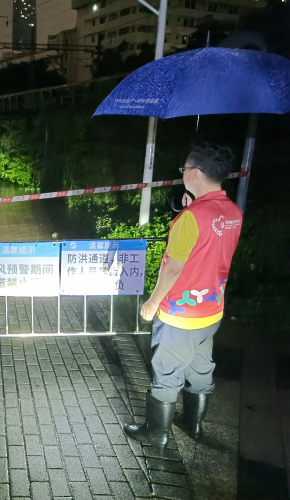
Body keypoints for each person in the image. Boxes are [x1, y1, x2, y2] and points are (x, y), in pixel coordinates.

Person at [123, 142, 243, 447]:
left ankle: (156, 434)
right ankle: (194, 423)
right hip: (212, 309)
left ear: (197, 173)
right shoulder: (233, 212)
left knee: (166, 371)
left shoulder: (191, 217)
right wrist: (194, 205)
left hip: (181, 314)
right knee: (201, 366)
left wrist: (153, 302)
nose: (183, 173)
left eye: (185, 168)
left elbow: (174, 268)